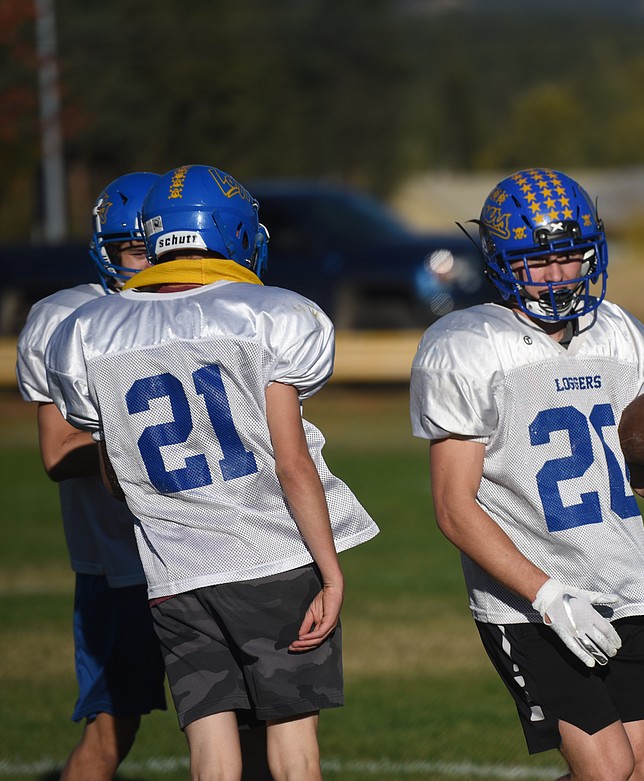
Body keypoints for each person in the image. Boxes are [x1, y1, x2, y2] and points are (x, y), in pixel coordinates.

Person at [44, 164, 379, 781]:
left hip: (172, 570)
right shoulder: (270, 314)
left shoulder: (89, 330)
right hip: (269, 556)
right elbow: (291, 461)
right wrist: (330, 573)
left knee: (211, 753)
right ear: (233, 234)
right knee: (293, 744)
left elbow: (116, 475)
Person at [409, 168, 644, 780]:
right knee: (608, 768)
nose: (560, 275)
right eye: (540, 261)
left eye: (571, 257)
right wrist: (547, 596)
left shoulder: (619, 336)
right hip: (529, 603)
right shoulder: (469, 346)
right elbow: (454, 507)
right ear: (502, 260)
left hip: (620, 585)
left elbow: (638, 483)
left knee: (641, 768)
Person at [16, 172, 169, 781]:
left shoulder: (209, 310)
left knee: (250, 720)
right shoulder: (65, 318)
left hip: (216, 551)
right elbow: (57, 453)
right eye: (136, 249)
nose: (152, 262)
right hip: (122, 561)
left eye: (161, 247)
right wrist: (144, 444)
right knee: (113, 730)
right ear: (105, 250)